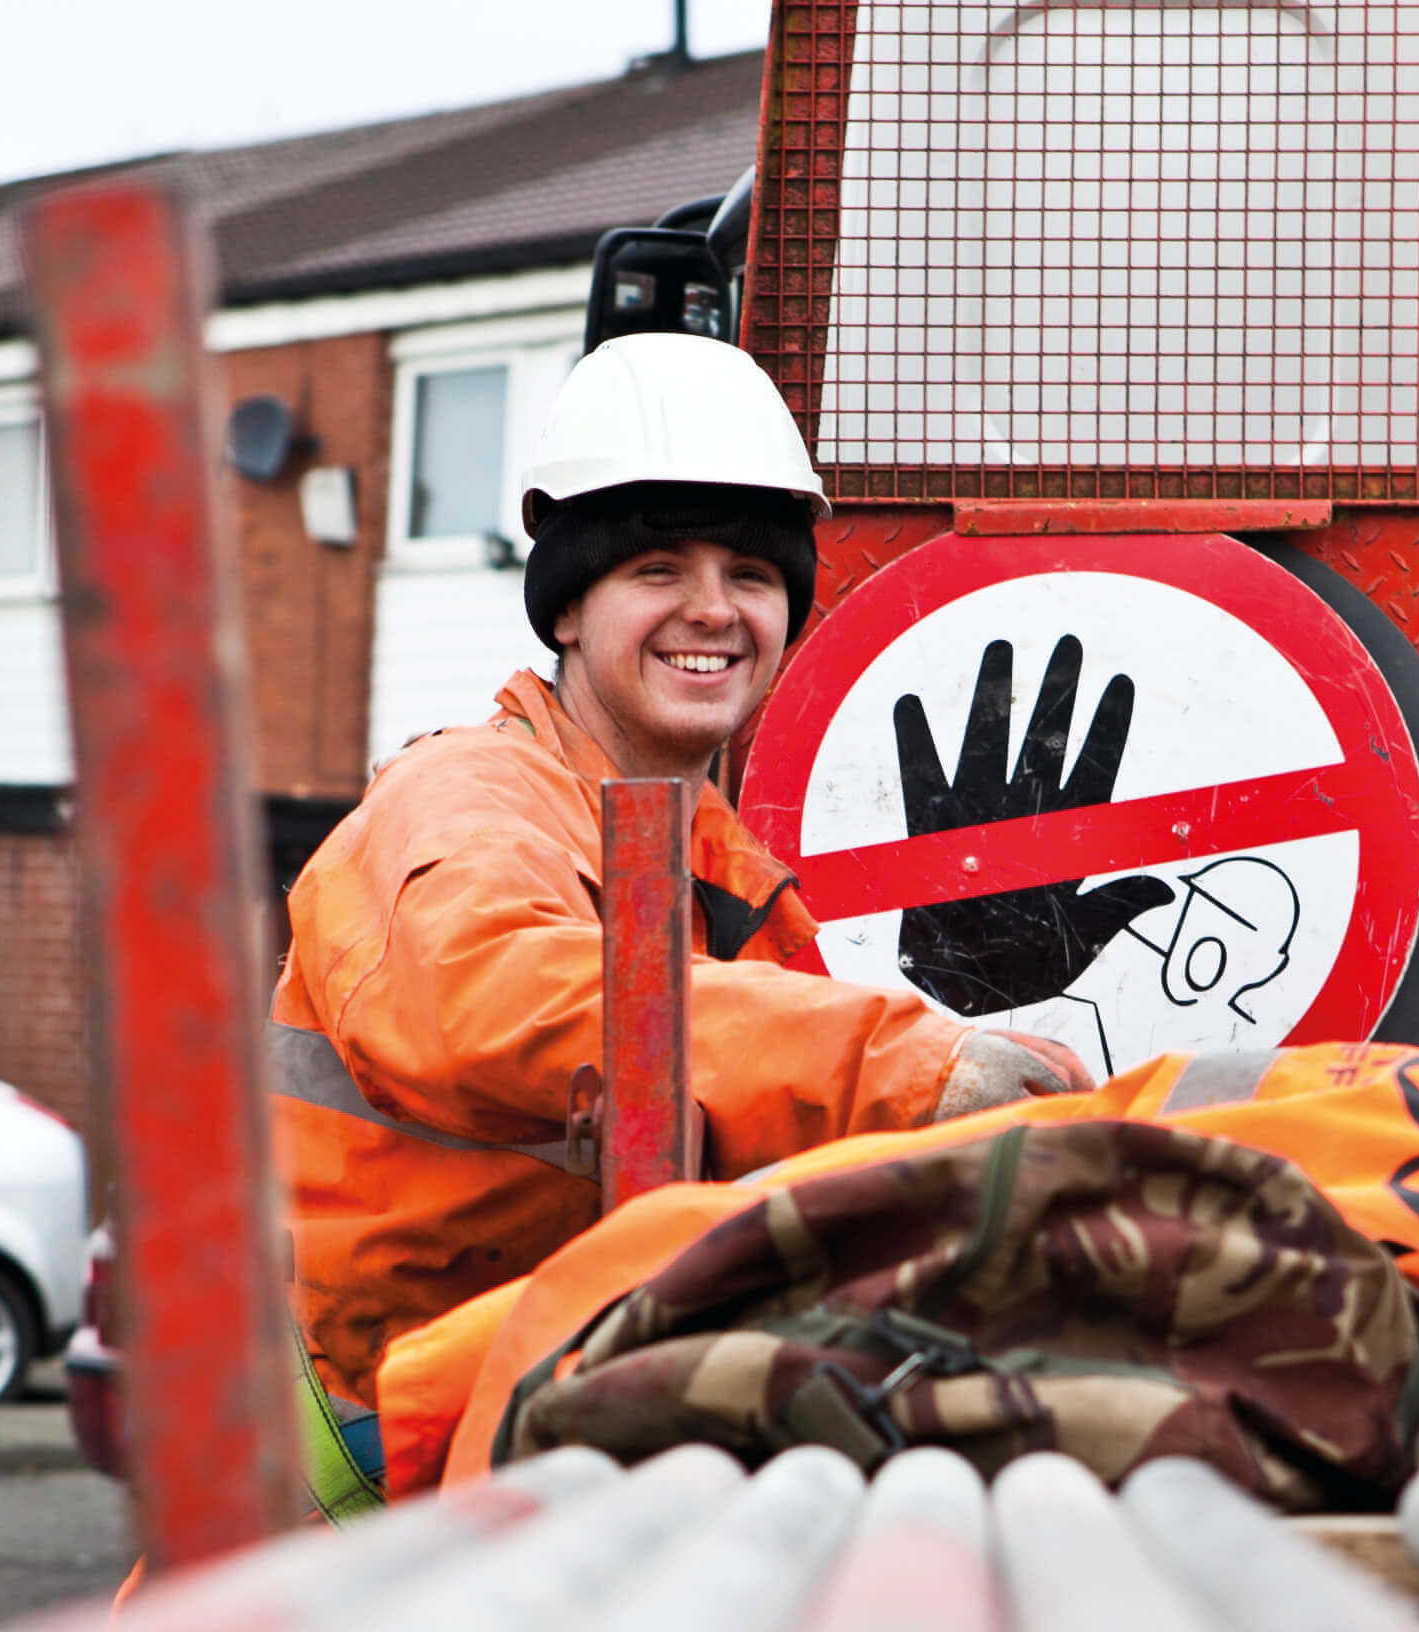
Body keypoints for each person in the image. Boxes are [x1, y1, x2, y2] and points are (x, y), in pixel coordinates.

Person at [267, 332, 1081, 1424]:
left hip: (539, 1409)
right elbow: (499, 991)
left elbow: (809, 1151)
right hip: (381, 1467)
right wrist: (908, 1063)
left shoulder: (722, 881)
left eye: (750, 575)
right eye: (659, 571)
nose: (712, 610)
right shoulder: (466, 795)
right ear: (565, 608)